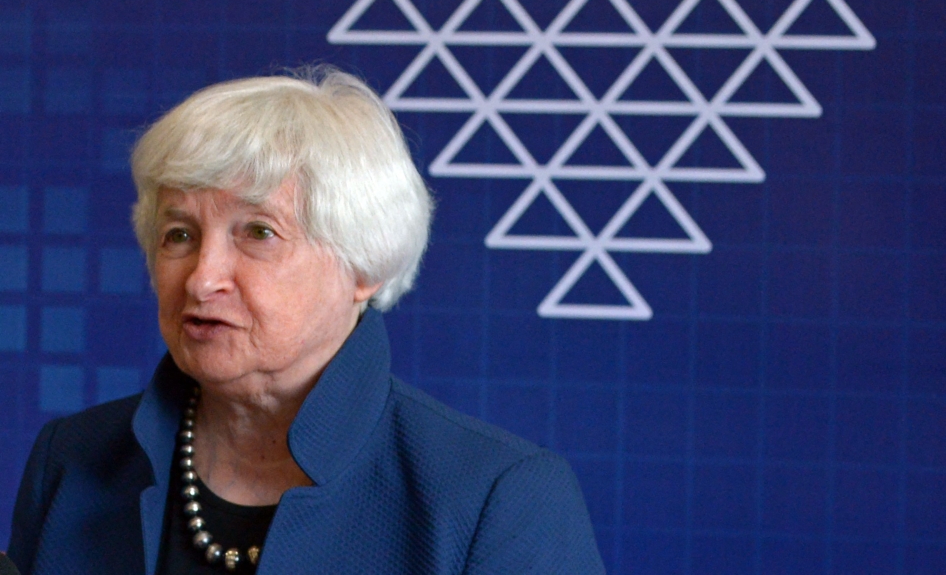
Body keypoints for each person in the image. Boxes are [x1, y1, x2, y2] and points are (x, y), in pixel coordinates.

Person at [7, 68, 605, 574]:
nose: (201, 277)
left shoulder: (495, 498)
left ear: (363, 265)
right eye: (179, 235)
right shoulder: (74, 458)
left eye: (259, 232)